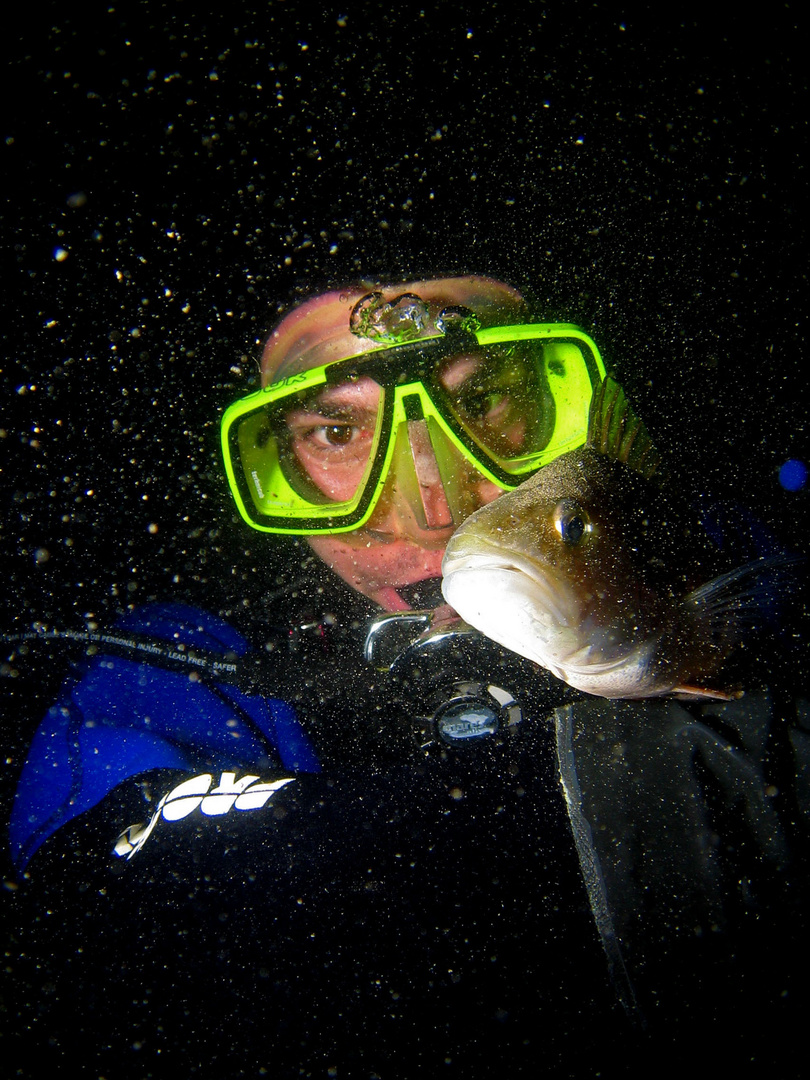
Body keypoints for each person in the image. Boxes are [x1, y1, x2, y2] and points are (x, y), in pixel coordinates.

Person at [4, 277, 807, 1078]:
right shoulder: (180, 666)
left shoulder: (726, 558)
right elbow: (98, 934)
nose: (435, 501)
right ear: (272, 469)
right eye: (336, 430)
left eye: (486, 397)